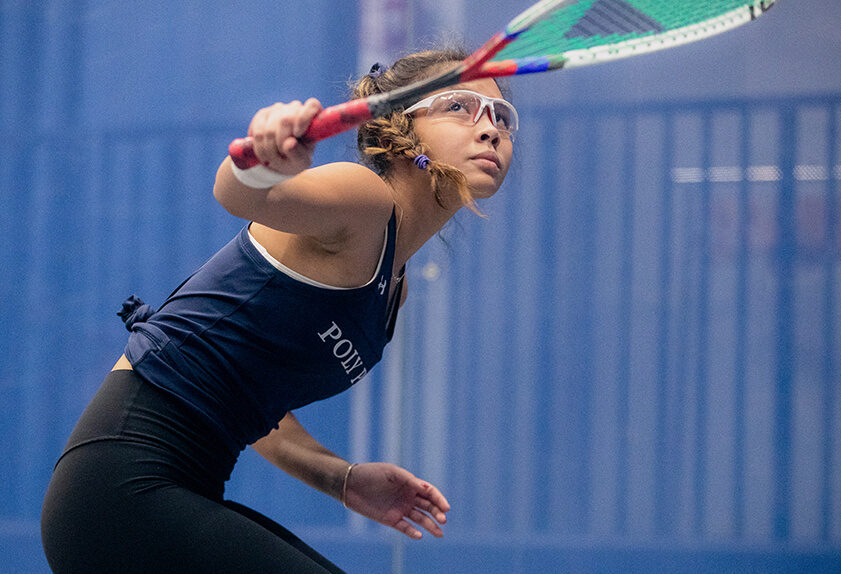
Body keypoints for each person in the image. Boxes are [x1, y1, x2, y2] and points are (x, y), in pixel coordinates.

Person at [41, 48, 516, 573]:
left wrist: (343, 478)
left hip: (168, 492)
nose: (490, 128)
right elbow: (238, 193)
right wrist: (262, 163)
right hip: (117, 491)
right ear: (402, 129)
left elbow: (253, 404)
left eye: (501, 116)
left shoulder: (391, 291)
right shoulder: (363, 202)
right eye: (460, 106)